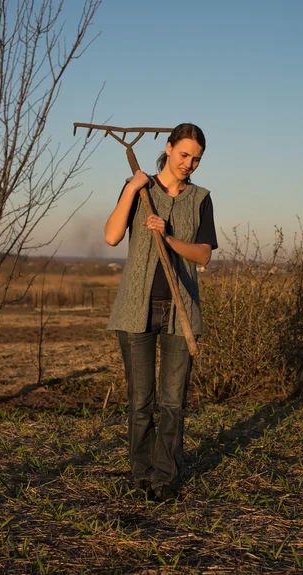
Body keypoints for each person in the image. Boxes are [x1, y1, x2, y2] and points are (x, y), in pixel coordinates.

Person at [104, 123, 217, 501]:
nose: (189, 163)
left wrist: (168, 237)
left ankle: (165, 478)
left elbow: (204, 254)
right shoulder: (139, 188)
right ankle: (141, 473)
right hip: (135, 308)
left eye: (196, 158)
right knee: (141, 401)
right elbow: (112, 235)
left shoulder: (201, 197)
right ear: (168, 148)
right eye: (184, 154)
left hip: (180, 309)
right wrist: (132, 189)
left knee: (172, 402)